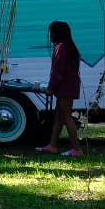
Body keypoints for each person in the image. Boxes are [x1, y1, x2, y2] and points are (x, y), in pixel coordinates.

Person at [38, 19, 82, 155]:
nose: (50, 36)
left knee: (67, 117)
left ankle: (77, 149)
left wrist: (51, 87)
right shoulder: (69, 46)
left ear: (57, 34)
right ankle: (52, 145)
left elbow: (58, 71)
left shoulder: (62, 48)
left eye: (51, 33)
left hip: (65, 87)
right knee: (59, 117)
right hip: (68, 85)